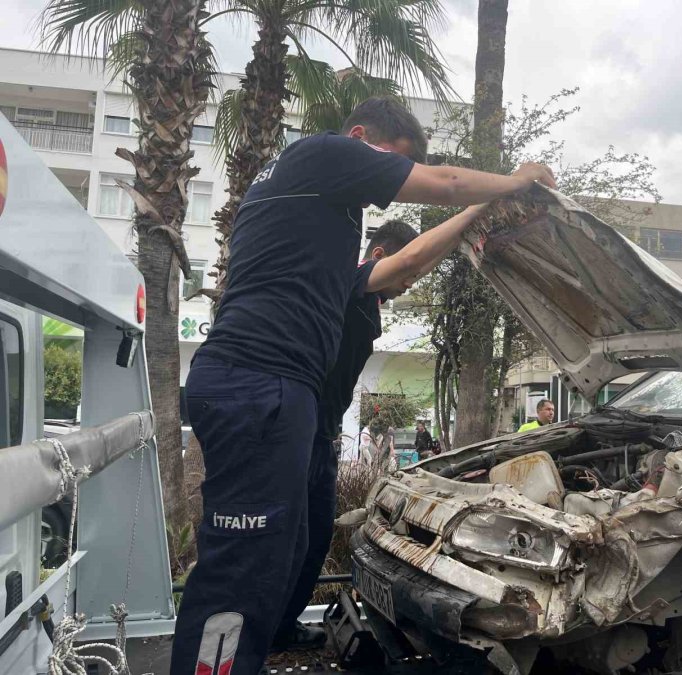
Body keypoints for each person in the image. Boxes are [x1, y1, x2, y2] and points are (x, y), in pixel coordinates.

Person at [171, 95, 555, 675]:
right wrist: (513, 183)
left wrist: (478, 214)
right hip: (260, 382)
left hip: (270, 387)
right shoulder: (325, 154)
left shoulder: (318, 212)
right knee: (239, 571)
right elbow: (443, 183)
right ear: (359, 138)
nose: (387, 182)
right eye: (390, 162)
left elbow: (408, 265)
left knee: (276, 554)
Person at [270, 207, 487, 652]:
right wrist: (472, 216)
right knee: (282, 542)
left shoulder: (370, 303)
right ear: (381, 255)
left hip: (323, 435)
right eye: (407, 273)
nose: (410, 284)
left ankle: (281, 628)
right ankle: (258, 635)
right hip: (298, 431)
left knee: (312, 544)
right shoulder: (341, 284)